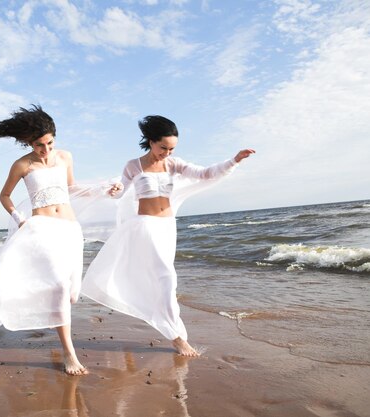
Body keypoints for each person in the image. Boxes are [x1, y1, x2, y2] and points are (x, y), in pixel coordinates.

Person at [81, 115, 255, 357]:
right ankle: (178, 338)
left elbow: (205, 173)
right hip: (145, 226)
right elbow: (119, 193)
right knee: (166, 278)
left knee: (162, 280)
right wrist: (115, 190)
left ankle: (172, 330)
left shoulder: (174, 164)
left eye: (172, 148)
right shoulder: (134, 165)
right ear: (151, 142)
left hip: (167, 227)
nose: (167, 153)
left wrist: (234, 160)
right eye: (163, 147)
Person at [0, 105, 88, 375]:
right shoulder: (22, 165)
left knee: (71, 293)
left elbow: (73, 188)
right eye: (40, 145)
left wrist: (105, 189)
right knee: (61, 288)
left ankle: (54, 316)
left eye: (50, 142)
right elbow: (4, 196)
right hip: (42, 230)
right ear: (29, 143)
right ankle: (69, 353)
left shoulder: (65, 157)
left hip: (70, 230)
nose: (46, 149)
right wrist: (20, 219)